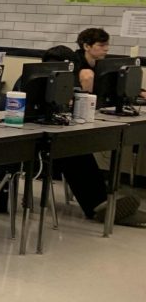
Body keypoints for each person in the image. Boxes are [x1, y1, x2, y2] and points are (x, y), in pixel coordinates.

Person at [39, 45, 142, 225]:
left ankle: (102, 204)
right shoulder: (31, 83)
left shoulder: (62, 82)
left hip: (52, 136)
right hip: (36, 145)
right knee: (72, 152)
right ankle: (99, 206)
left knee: (75, 148)